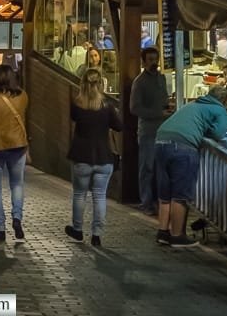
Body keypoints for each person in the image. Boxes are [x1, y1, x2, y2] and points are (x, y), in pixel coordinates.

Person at [155, 85, 227, 247]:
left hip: (160, 141)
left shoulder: (192, 105)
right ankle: (177, 236)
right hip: (183, 146)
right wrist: (207, 129)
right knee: (180, 194)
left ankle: (163, 232)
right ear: (225, 101)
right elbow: (219, 134)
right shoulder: (220, 111)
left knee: (165, 192)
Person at [65, 67, 123, 248]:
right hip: (103, 157)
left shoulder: (77, 104)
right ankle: (97, 234)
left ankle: (77, 230)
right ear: (101, 84)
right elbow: (119, 126)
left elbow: (74, 119)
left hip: (81, 156)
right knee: (99, 197)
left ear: (82, 84)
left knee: (79, 194)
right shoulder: (107, 107)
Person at [0, 64, 29, 242]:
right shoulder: (23, 96)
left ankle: (0, 228)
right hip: (18, 146)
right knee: (17, 185)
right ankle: (17, 218)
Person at [129, 46, 169, 216]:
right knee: (147, 168)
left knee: (161, 168)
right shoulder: (139, 82)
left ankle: (159, 201)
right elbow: (134, 108)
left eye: (155, 59)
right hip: (147, 131)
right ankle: (146, 202)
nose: (154, 63)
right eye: (150, 60)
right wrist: (157, 113)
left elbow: (164, 98)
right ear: (144, 61)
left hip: (163, 129)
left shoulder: (161, 79)